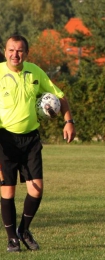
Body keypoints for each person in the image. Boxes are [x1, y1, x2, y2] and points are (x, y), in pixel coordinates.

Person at [0, 34, 76, 252]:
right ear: (5, 51)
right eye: (11, 50)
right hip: (4, 140)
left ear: (26, 53)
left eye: (20, 50)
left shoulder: (35, 72)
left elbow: (59, 96)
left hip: (31, 139)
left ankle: (23, 230)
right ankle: (12, 240)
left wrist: (68, 121)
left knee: (37, 190)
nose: (15, 54)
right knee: (8, 191)